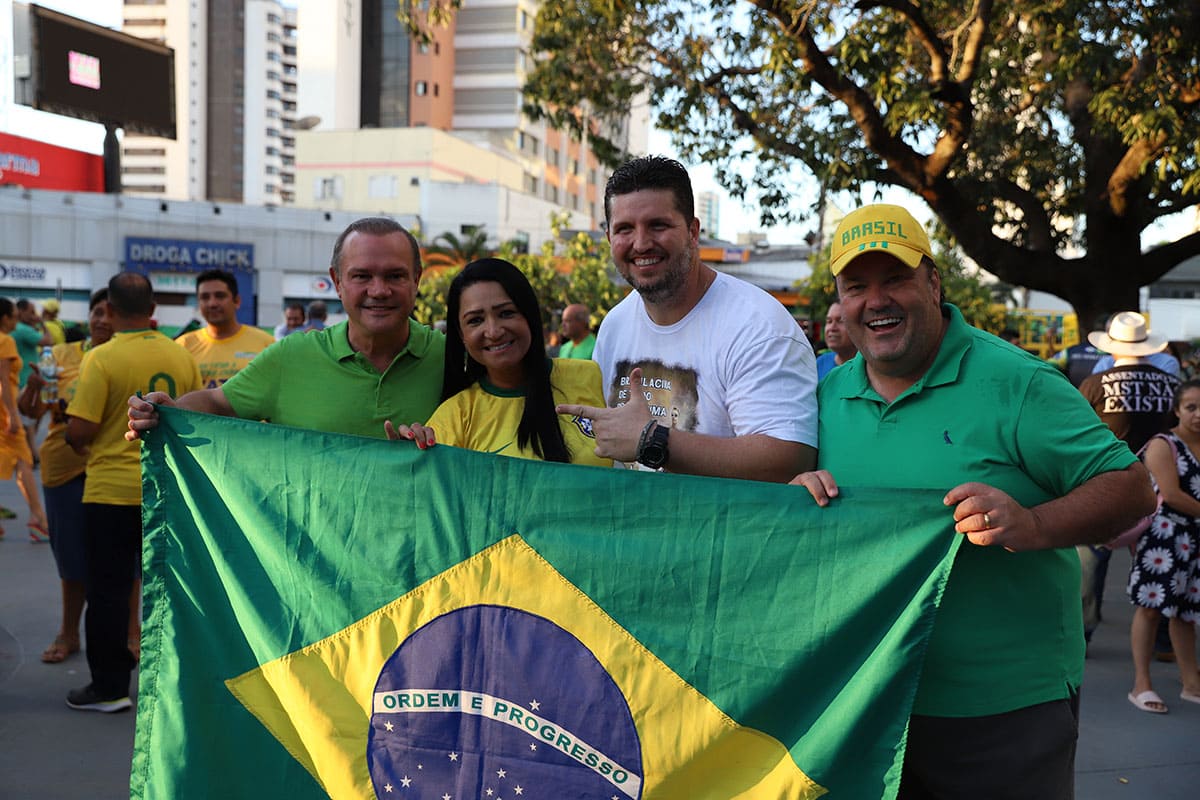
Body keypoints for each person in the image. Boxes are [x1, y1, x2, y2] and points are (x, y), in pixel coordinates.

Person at [789, 202, 1155, 797]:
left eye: (896, 279)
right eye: (857, 286)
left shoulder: (1018, 381)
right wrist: (796, 496)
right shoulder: (824, 396)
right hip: (866, 702)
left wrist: (1033, 523)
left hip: (1005, 710)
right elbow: (800, 511)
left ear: (933, 282)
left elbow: (1132, 487)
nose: (875, 301)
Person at [556, 156, 817, 481]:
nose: (641, 243)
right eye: (624, 229)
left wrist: (653, 440)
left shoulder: (758, 325)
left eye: (658, 225)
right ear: (610, 238)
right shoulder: (615, 325)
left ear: (693, 231)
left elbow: (789, 458)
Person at [127, 217, 444, 440]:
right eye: (362, 276)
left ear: (416, 280)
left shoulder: (452, 359)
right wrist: (168, 411)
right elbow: (219, 403)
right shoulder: (292, 356)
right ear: (336, 282)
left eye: (395, 276)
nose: (378, 290)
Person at [64, 273, 203, 713]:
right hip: (167, 489)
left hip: (109, 491)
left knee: (107, 590)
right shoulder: (181, 356)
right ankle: (180, 687)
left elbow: (79, 429)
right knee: (172, 589)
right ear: (153, 307)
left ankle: (109, 688)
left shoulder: (101, 358)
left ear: (109, 310)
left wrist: (81, 434)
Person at [386, 259, 609, 467]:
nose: (493, 331)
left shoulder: (592, 376)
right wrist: (409, 463)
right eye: (475, 320)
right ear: (461, 334)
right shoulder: (455, 416)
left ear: (529, 315)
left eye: (506, 313)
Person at [18, 290, 120, 664]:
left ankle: (132, 633)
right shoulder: (58, 356)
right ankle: (68, 633)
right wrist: (31, 387)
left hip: (114, 466)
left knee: (121, 558)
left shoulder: (128, 358)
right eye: (97, 312)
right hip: (63, 467)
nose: (103, 320)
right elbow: (32, 411)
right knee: (71, 557)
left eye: (111, 314)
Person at [1126, 379, 1200, 714]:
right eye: (1191, 407)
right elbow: (1171, 495)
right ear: (1177, 409)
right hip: (1164, 537)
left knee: (1186, 614)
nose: (1198, 415)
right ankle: (1141, 684)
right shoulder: (1163, 444)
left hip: (1195, 539)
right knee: (1151, 609)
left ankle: (1191, 682)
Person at [0, 298, 50, 541]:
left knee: (21, 463)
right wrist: (12, 416)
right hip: (4, 413)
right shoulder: (5, 341)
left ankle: (38, 517)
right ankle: (39, 518)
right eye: (13, 316)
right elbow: (4, 384)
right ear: (6, 318)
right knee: (24, 462)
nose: (16, 319)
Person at [177, 269, 275, 389]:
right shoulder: (183, 346)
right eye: (205, 297)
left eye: (220, 296)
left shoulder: (266, 344)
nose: (212, 303)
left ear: (237, 301)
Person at [815, 302, 857, 379]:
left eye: (840, 321)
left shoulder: (870, 368)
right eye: (829, 321)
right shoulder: (820, 364)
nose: (832, 328)